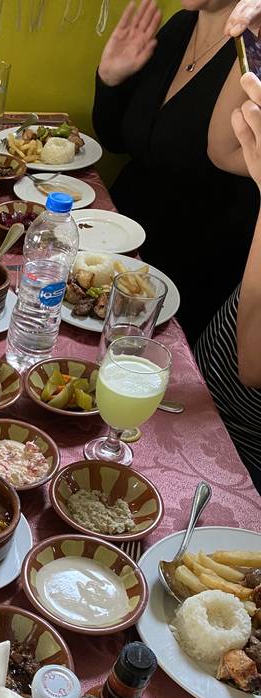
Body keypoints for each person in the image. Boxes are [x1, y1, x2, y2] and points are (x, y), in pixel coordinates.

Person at [92, 0, 260, 346]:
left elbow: (222, 154)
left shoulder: (253, 48)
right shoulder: (180, 26)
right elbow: (119, 140)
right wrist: (110, 79)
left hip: (189, 276)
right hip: (119, 246)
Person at [195, 70, 261, 494]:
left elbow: (253, 363)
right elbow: (223, 148)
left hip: (243, 455)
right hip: (203, 393)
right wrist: (248, 46)